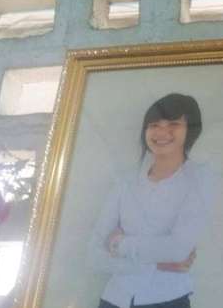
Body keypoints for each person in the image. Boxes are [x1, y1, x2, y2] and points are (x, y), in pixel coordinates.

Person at [88, 93, 215, 308]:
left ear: (190, 130)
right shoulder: (126, 181)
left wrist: (120, 244)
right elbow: (93, 254)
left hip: (167, 300)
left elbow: (178, 249)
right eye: (154, 125)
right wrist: (156, 262)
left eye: (173, 124)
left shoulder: (199, 178)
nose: (162, 132)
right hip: (114, 299)